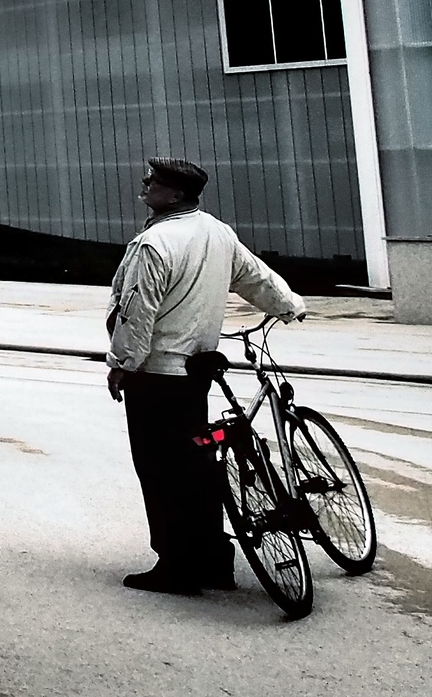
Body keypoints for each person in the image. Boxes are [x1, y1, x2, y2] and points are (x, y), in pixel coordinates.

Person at [105, 156, 307, 595]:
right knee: (196, 467)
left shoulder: (154, 244)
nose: (145, 184)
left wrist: (123, 365)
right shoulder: (217, 231)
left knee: (160, 471)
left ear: (175, 193)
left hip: (157, 373)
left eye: (153, 181)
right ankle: (215, 561)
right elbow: (255, 277)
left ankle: (177, 566)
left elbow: (137, 311)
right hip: (196, 371)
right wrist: (288, 305)